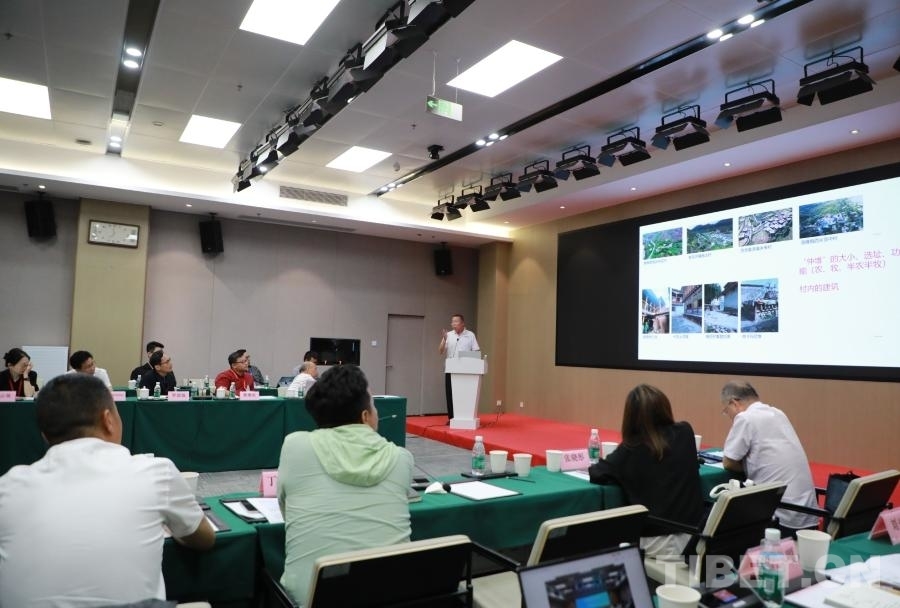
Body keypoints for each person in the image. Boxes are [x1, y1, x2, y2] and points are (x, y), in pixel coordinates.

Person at [0, 374, 215, 606]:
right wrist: (173, 527)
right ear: (108, 420)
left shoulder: (8, 487)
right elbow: (204, 538)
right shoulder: (155, 472)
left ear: (44, 435)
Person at [278, 364, 413, 604]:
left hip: (312, 599)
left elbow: (287, 513)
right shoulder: (402, 459)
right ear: (365, 417)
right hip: (391, 597)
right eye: (374, 405)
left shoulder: (295, 446)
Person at [589, 384, 705, 557]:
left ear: (630, 417)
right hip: (695, 537)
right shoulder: (685, 431)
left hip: (657, 542)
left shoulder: (630, 449)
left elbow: (596, 473)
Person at [720, 380, 819, 536]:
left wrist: (747, 466)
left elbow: (728, 463)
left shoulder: (745, 418)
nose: (729, 416)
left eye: (726, 411)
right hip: (808, 512)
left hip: (781, 517)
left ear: (734, 403)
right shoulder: (778, 413)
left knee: (725, 520)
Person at [438, 314, 479, 420]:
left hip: (466, 370)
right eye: (452, 322)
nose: (454, 324)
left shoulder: (470, 335)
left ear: (462, 323)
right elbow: (440, 351)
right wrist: (444, 339)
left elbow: (476, 351)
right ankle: (451, 418)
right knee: (450, 394)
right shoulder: (448, 335)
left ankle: (465, 417)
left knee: (464, 394)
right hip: (450, 369)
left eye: (456, 321)